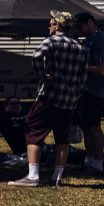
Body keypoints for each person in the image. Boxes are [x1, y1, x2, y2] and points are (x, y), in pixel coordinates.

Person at [9, 11, 88, 187]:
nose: (49, 27)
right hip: (69, 100)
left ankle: (33, 176)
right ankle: (57, 176)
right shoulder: (81, 47)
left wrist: (42, 76)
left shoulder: (51, 41)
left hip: (50, 96)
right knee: (62, 137)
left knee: (33, 130)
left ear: (57, 26)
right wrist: (76, 94)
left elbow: (37, 56)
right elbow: (83, 76)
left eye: (51, 24)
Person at [74, 12, 104, 172]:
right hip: (83, 89)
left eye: (80, 27)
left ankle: (98, 163)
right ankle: (89, 160)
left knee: (94, 127)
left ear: (90, 23)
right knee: (85, 127)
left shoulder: (100, 41)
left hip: (94, 90)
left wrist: (82, 67)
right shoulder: (87, 41)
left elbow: (102, 69)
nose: (78, 31)